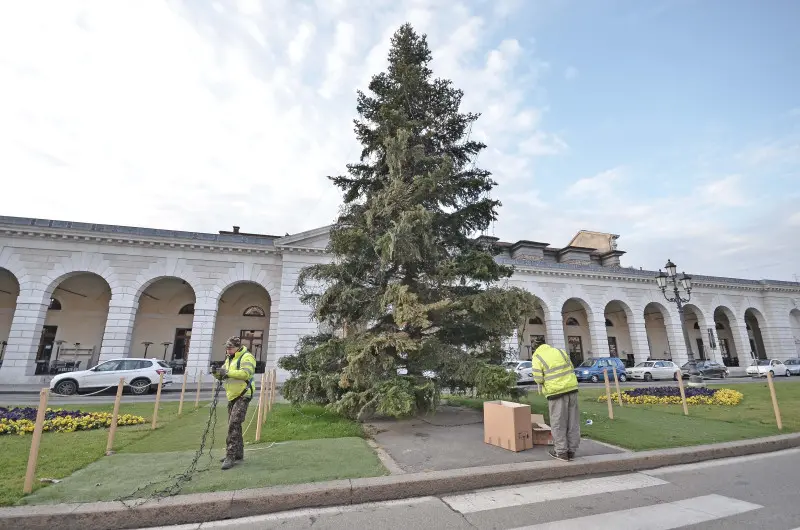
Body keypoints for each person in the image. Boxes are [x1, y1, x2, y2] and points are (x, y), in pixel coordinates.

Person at [212, 336, 256, 470]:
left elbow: (245, 374)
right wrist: (217, 373)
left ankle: (230, 456)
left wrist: (227, 372)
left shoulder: (247, 357)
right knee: (235, 425)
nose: (228, 350)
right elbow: (225, 373)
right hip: (232, 396)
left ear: (237, 347)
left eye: (230, 348)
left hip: (243, 395)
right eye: (227, 348)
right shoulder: (229, 359)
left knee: (234, 424)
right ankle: (238, 453)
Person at [531, 343, 580, 461]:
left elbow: (538, 378)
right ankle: (571, 451)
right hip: (572, 390)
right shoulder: (560, 351)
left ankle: (561, 452)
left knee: (558, 422)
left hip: (556, 393)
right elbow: (571, 368)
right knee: (573, 422)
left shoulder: (537, 357)